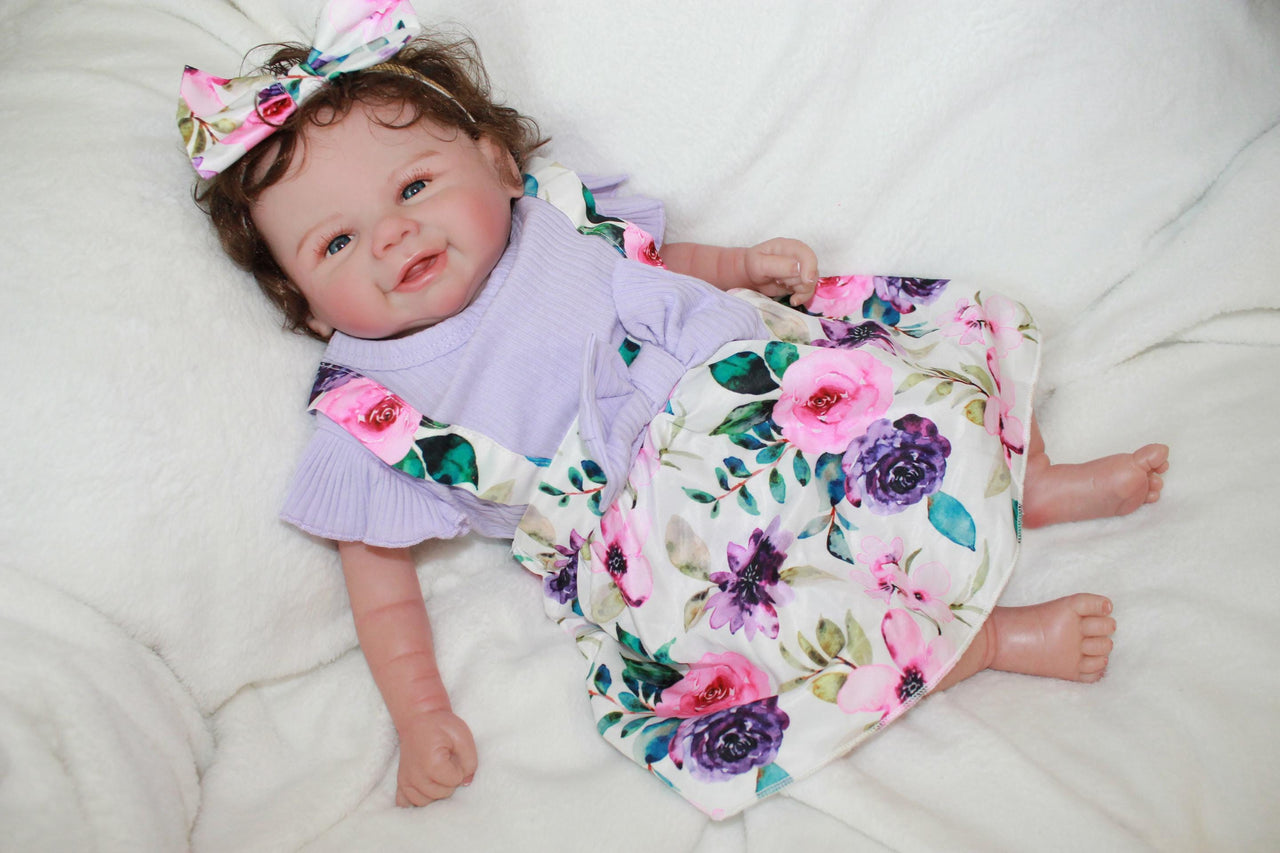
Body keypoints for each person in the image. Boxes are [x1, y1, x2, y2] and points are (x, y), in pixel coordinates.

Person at [180, 0, 1168, 818]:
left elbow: (654, 267)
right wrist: (419, 711)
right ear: (305, 306)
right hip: (670, 534)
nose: (393, 236)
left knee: (907, 390)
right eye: (337, 243)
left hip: (762, 388)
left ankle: (1024, 478)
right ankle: (990, 642)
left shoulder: (554, 217)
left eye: (413, 185)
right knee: (769, 625)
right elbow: (379, 583)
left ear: (496, 163)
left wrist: (741, 266)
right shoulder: (372, 406)